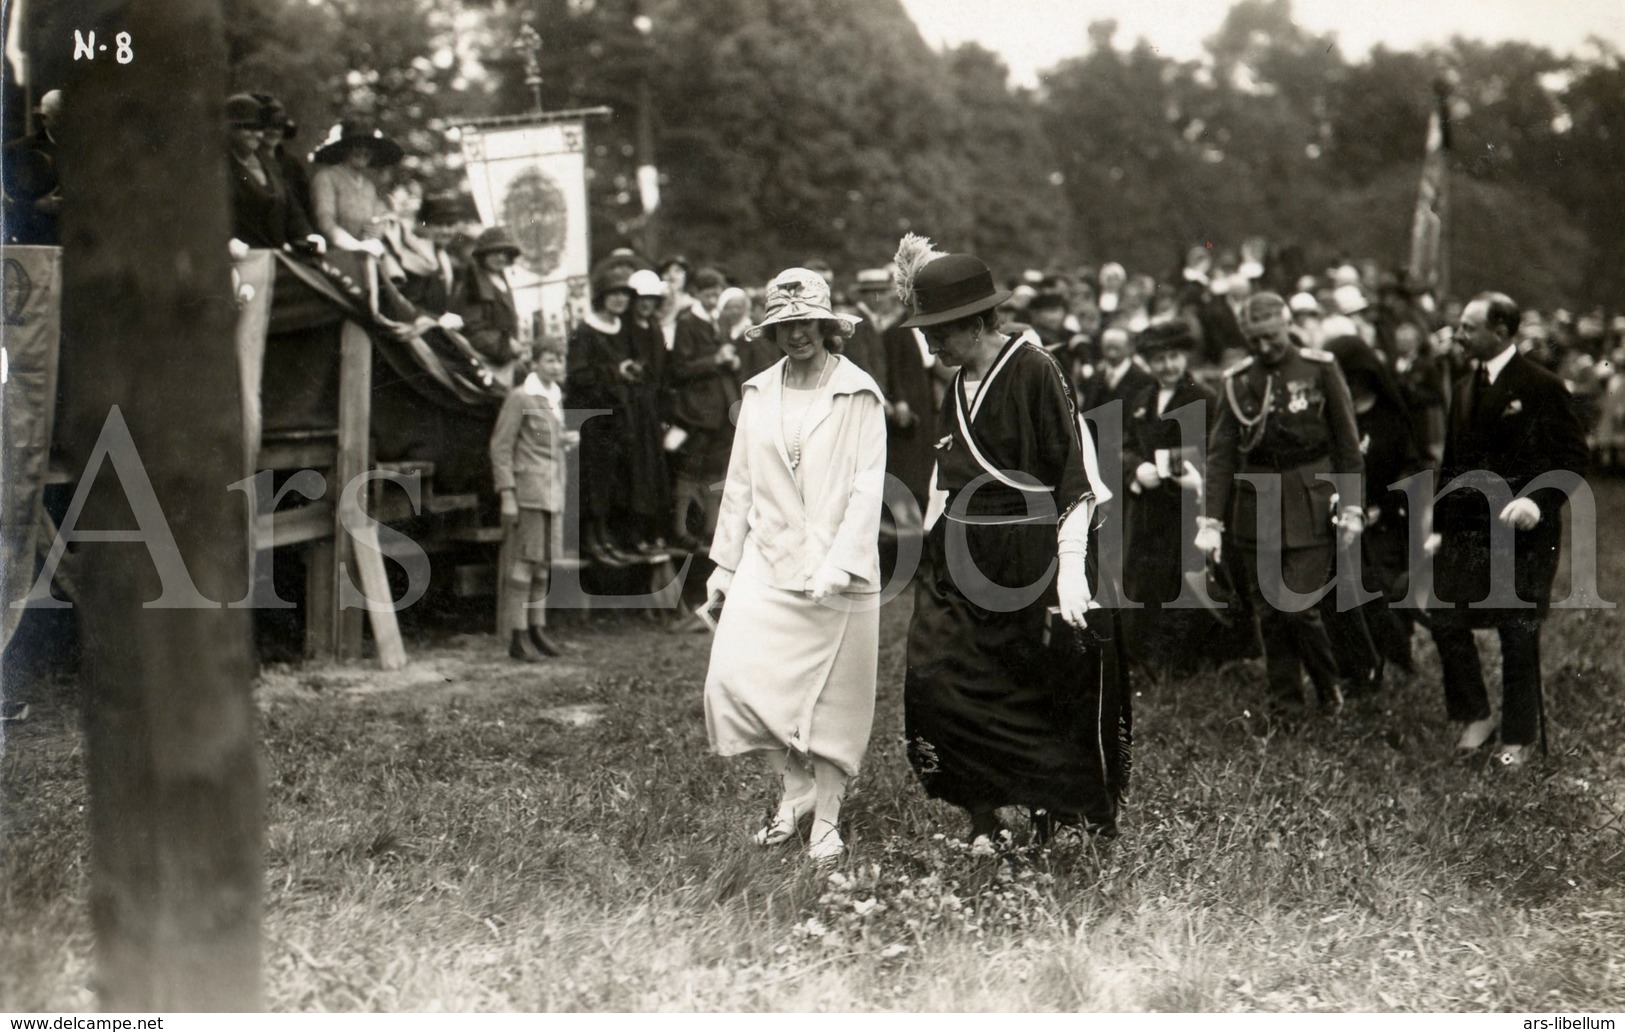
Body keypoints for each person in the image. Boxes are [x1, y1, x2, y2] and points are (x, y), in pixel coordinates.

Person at [896, 236, 1127, 845]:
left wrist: (1072, 569)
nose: (929, 343)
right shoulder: (956, 386)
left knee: (1034, 684)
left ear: (973, 323)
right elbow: (948, 476)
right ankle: (981, 811)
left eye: (938, 331)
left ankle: (1057, 811)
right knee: (938, 678)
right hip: (961, 555)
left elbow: (1072, 476)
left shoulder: (1035, 370)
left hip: (1028, 553)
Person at [702, 268, 887, 866]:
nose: (796, 333)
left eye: (805, 321)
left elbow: (867, 487)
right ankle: (795, 788)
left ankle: (825, 818)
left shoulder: (859, 391)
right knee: (731, 680)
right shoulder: (757, 392)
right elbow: (740, 484)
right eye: (783, 324)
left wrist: (843, 563)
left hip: (839, 565)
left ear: (827, 325)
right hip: (770, 555)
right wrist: (724, 567)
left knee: (836, 700)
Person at [1426, 293, 1589, 768]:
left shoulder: (1541, 386)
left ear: (1499, 331)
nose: (1458, 335)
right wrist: (1440, 528)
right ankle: (1475, 715)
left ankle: (1517, 738)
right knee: (1445, 620)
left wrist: (1538, 504)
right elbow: (1452, 465)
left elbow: (1573, 457)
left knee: (1517, 633)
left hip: (1524, 536)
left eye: (1467, 327)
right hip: (1468, 533)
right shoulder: (1462, 386)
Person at [1198, 292, 1365, 715]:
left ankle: (1329, 686)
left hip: (1311, 498)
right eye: (1254, 339)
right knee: (1268, 613)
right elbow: (1220, 455)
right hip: (1256, 504)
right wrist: (1210, 522)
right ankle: (1285, 704)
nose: (1263, 347)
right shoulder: (1236, 380)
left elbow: (1347, 444)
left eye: (1271, 337)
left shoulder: (1319, 369)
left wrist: (1352, 507)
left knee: (1298, 607)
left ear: (1286, 325)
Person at [1321, 334, 1428, 687]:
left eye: (1351, 381)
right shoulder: (1330, 417)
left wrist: (1384, 507)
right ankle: (1353, 666)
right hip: (1338, 518)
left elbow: (1411, 469)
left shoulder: (1392, 417)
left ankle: (1390, 656)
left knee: (1380, 585)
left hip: (1384, 520)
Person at [1121, 320, 1221, 674]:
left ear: (1185, 356)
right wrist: (1135, 469)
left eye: (1174, 357)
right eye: (1159, 359)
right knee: (1144, 574)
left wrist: (1167, 466)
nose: (1168, 366)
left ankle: (1179, 660)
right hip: (1149, 504)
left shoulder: (1204, 397)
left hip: (1186, 503)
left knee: (1184, 575)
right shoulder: (1140, 397)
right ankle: (1141, 653)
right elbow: (1126, 444)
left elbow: (1212, 452)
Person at [491, 337, 579, 662]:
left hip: (552, 492)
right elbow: (500, 447)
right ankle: (517, 635)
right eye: (550, 359)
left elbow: (543, 444)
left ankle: (536, 628)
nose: (556, 365)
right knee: (524, 564)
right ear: (535, 363)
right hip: (529, 493)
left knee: (543, 565)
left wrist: (563, 440)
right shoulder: (521, 397)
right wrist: (507, 494)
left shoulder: (554, 399)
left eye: (560, 360)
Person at [224, 94, 325, 254]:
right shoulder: (221, 168)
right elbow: (207, 216)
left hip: (276, 255)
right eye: (247, 128)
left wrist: (306, 235)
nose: (256, 134)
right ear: (229, 130)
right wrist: (226, 241)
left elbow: (292, 209)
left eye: (258, 129)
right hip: (240, 258)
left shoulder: (268, 163)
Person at [309, 118, 403, 259]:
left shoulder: (368, 186)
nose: (363, 151)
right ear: (345, 147)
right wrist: (356, 246)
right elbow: (325, 222)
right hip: (333, 255)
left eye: (368, 147)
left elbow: (381, 215)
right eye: (357, 145)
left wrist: (380, 227)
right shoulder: (326, 178)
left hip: (366, 255)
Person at [450, 226, 524, 382]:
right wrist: (506, 345)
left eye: (505, 253)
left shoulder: (500, 278)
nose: (501, 258)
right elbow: (474, 329)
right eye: (495, 252)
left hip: (504, 360)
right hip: (487, 363)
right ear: (483, 254)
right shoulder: (474, 284)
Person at [3, 89, 62, 245]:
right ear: (44, 119)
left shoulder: (87, 148)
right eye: (60, 117)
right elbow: (7, 197)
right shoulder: (16, 150)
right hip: (35, 239)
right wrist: (35, 204)